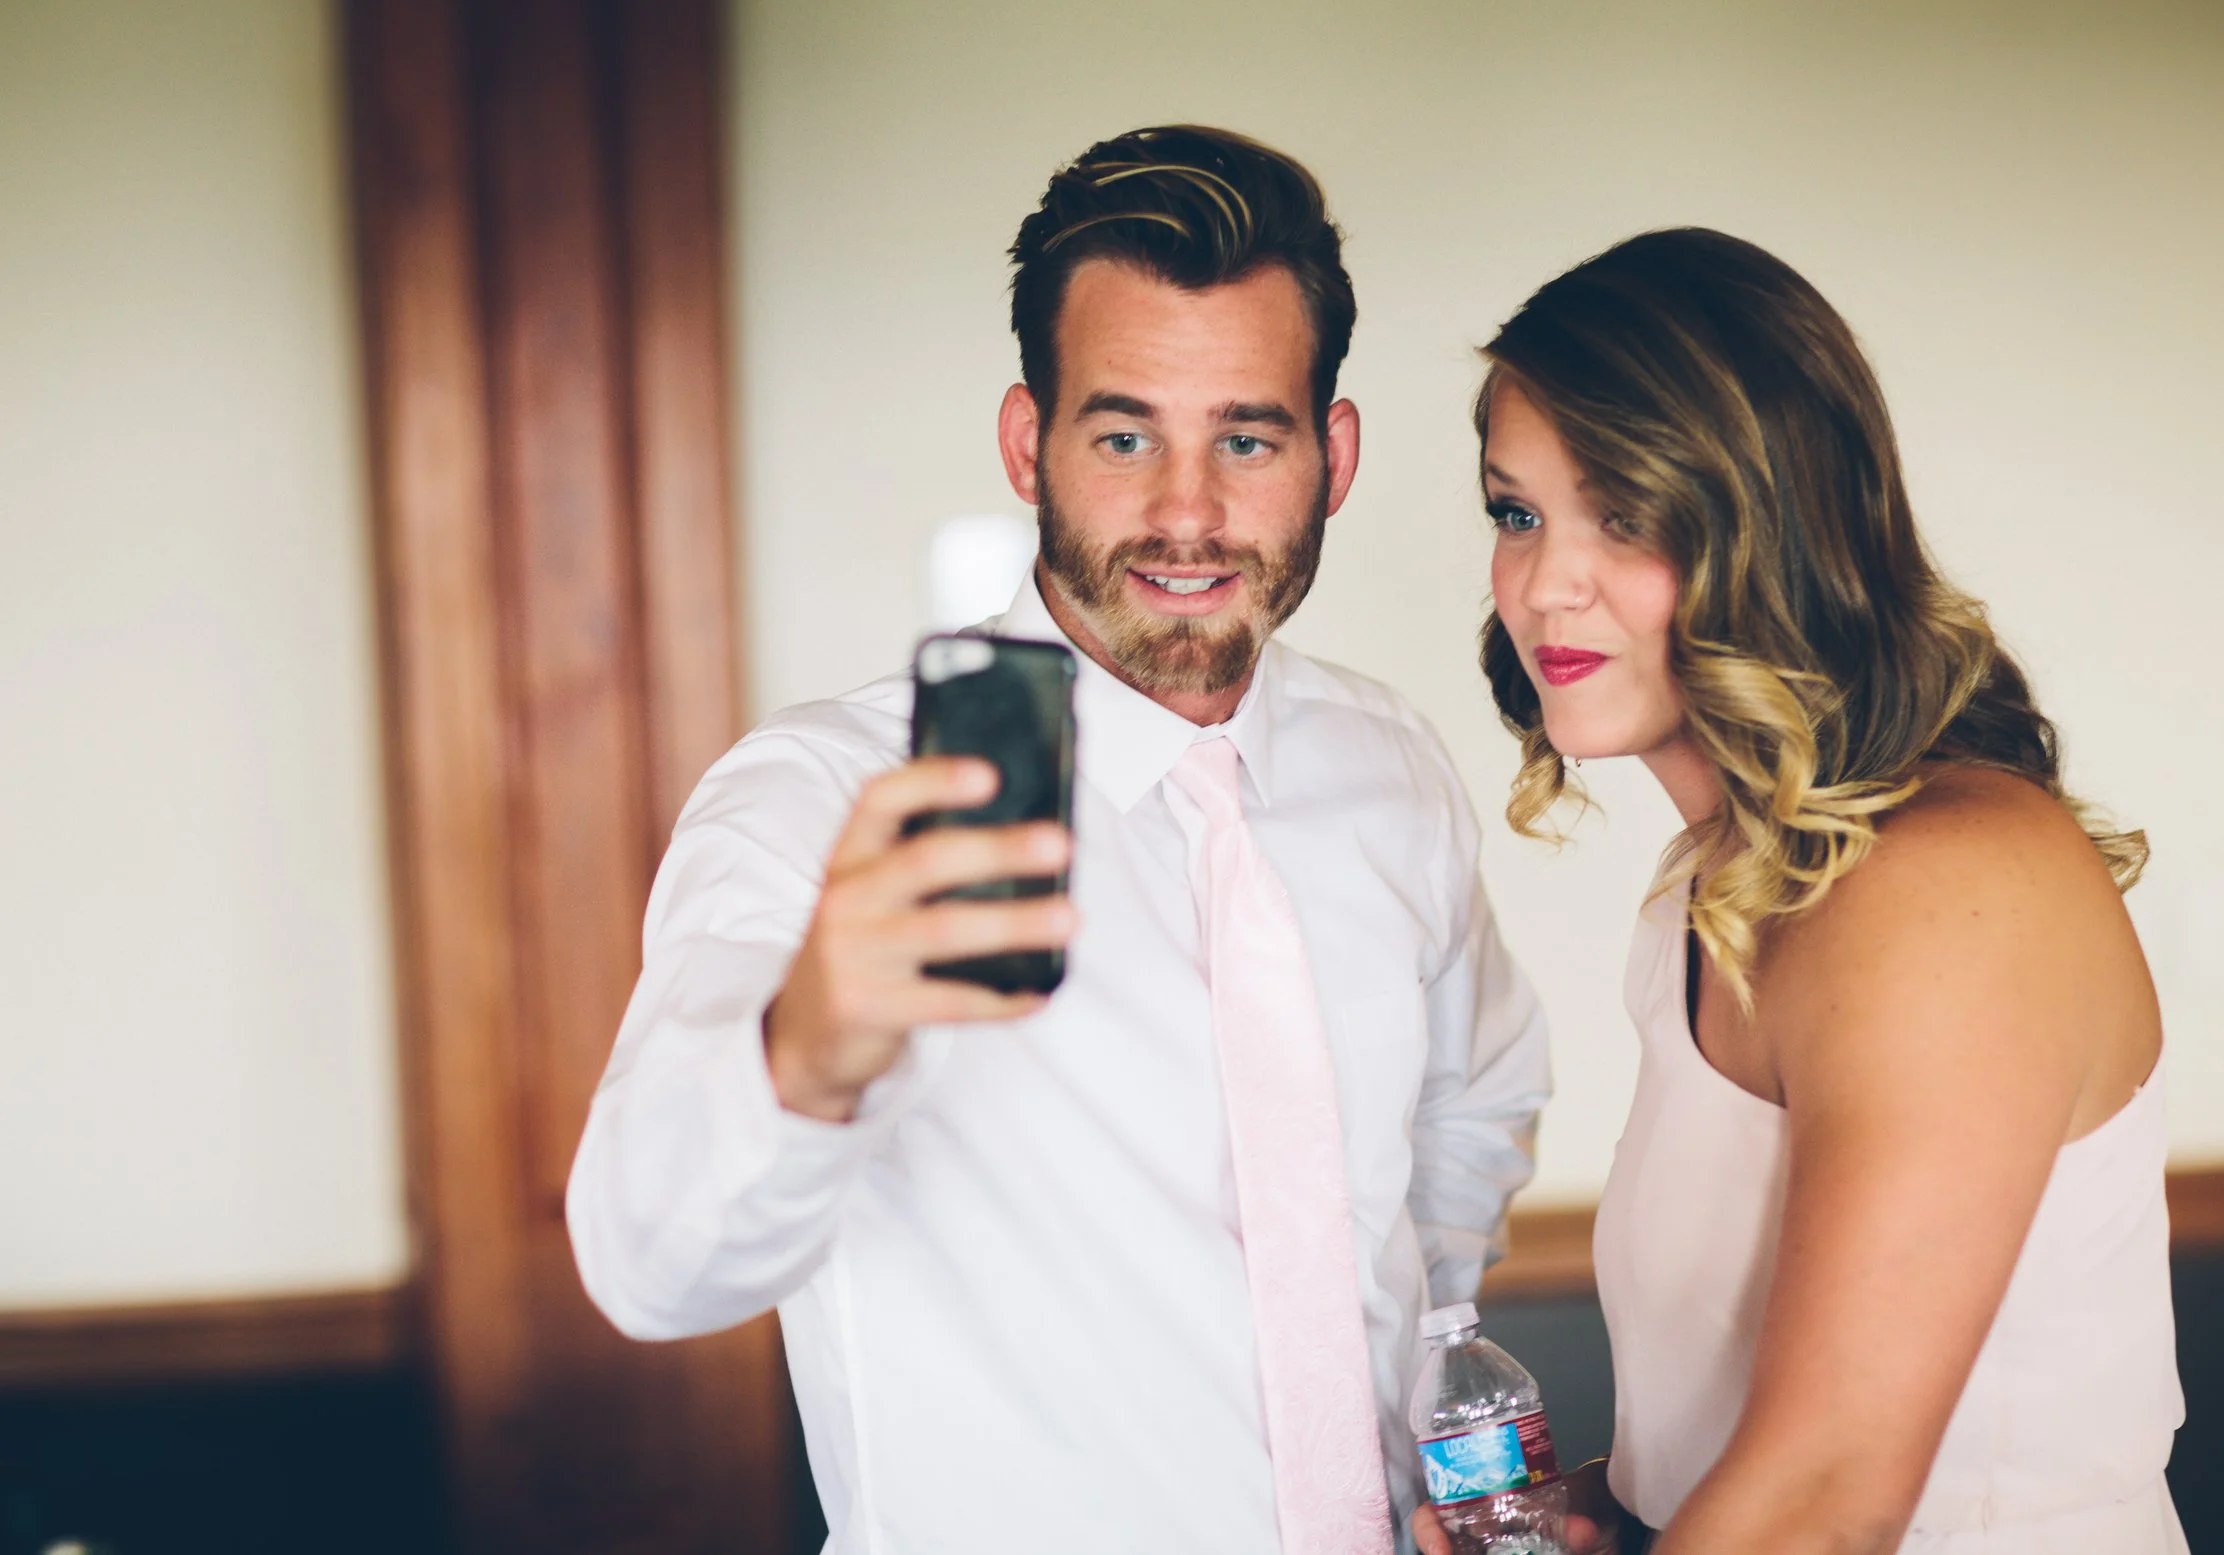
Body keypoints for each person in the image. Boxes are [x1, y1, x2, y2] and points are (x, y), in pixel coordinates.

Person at [566, 124, 1550, 1554]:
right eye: (1124, 435)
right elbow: (648, 1264)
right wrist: (816, 1042)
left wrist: (1413, 1395)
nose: (1187, 513)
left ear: (1332, 456)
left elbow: (1474, 1107)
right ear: (1030, 442)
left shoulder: (1387, 766)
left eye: (1247, 438)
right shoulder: (818, 799)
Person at [1415, 229, 2184, 1555]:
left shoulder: (1948, 883)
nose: (1543, 583)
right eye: (1516, 513)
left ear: (1773, 525)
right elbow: (1753, 1443)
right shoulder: (1709, 892)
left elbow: (1828, 1497)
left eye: (1624, 513)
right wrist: (1610, 1508)